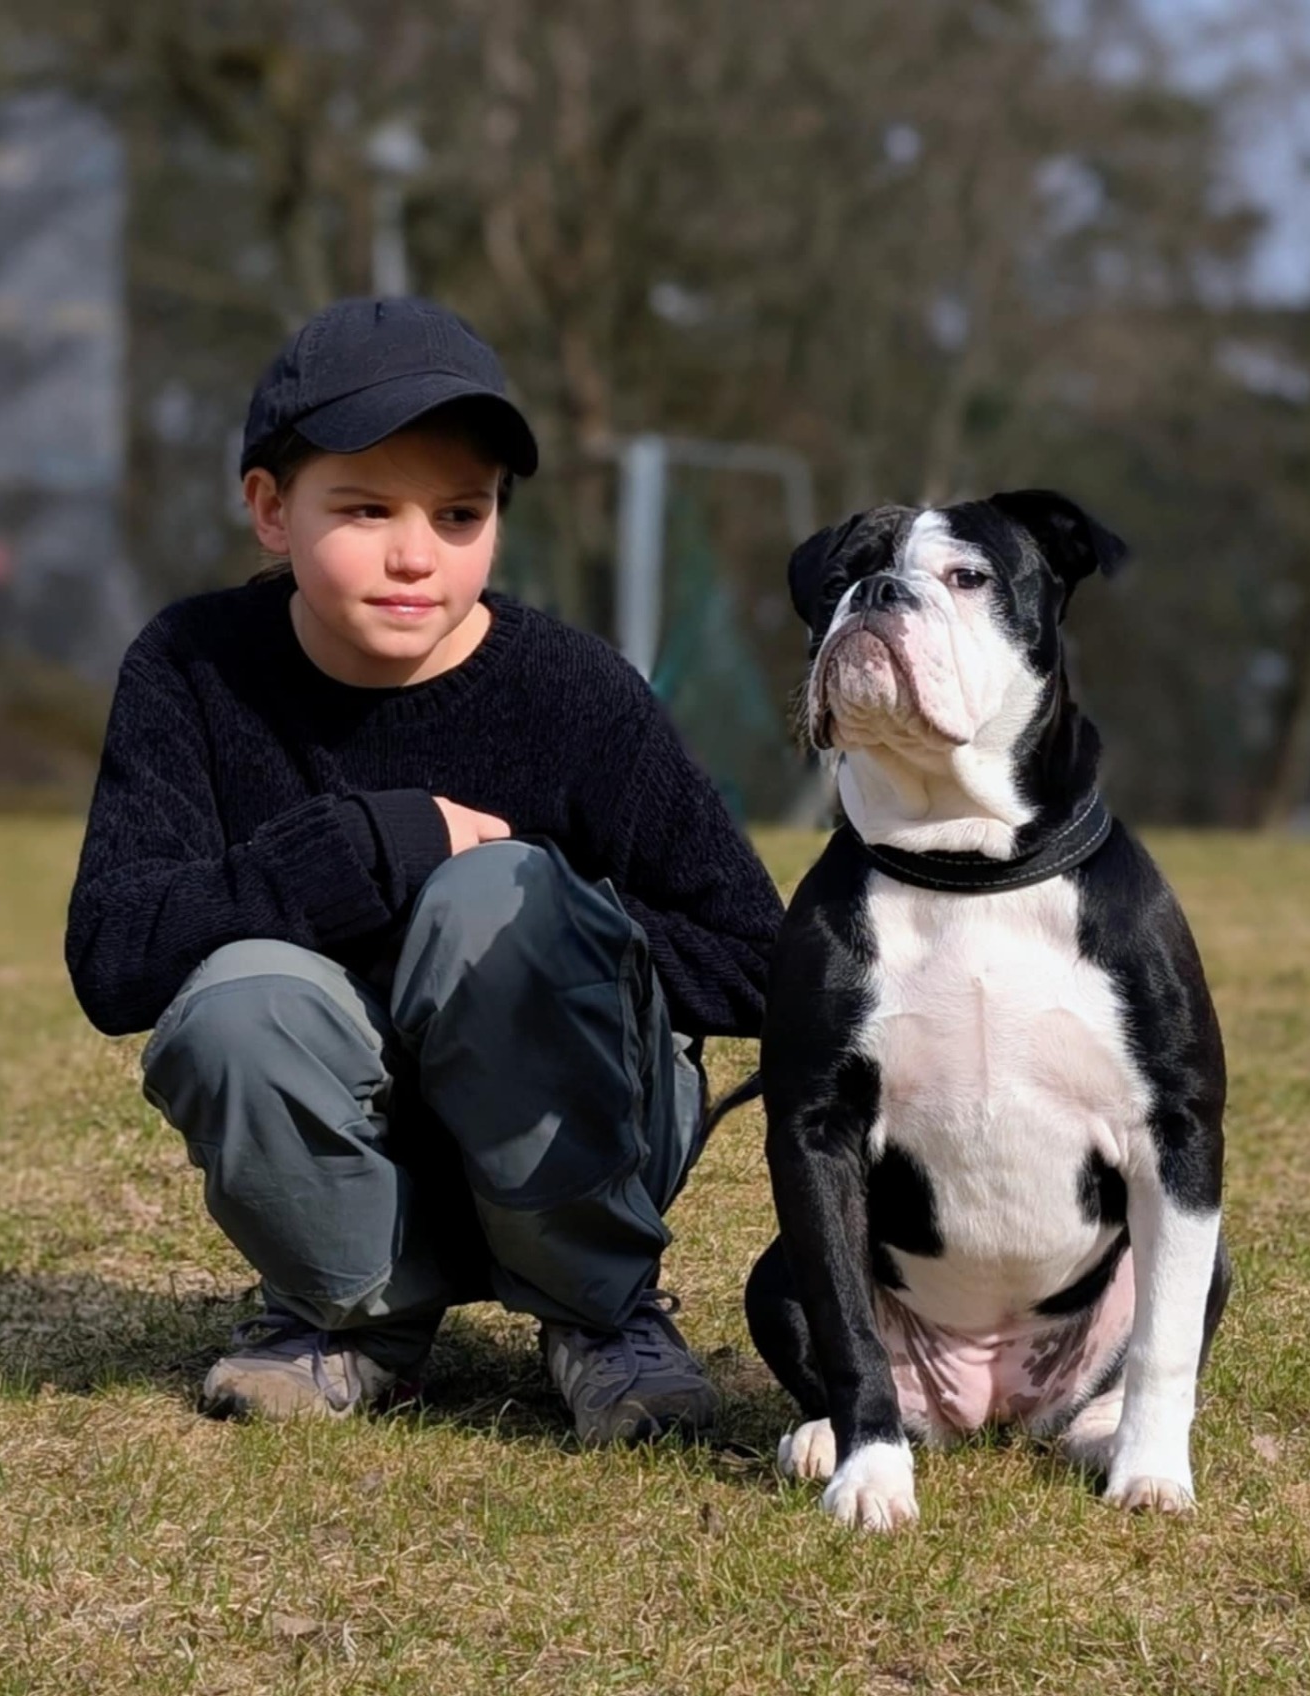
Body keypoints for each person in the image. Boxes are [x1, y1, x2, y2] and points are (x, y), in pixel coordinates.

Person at [65, 296, 784, 1443]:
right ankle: (349, 1318)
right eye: (364, 508)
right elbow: (114, 955)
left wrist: (546, 935)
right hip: (349, 1146)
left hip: (578, 1141)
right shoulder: (191, 668)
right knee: (237, 1000)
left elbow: (756, 958)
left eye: (461, 513)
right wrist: (364, 849)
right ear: (269, 509)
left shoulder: (573, 689)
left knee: (497, 900)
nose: (416, 555)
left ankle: (600, 1311)